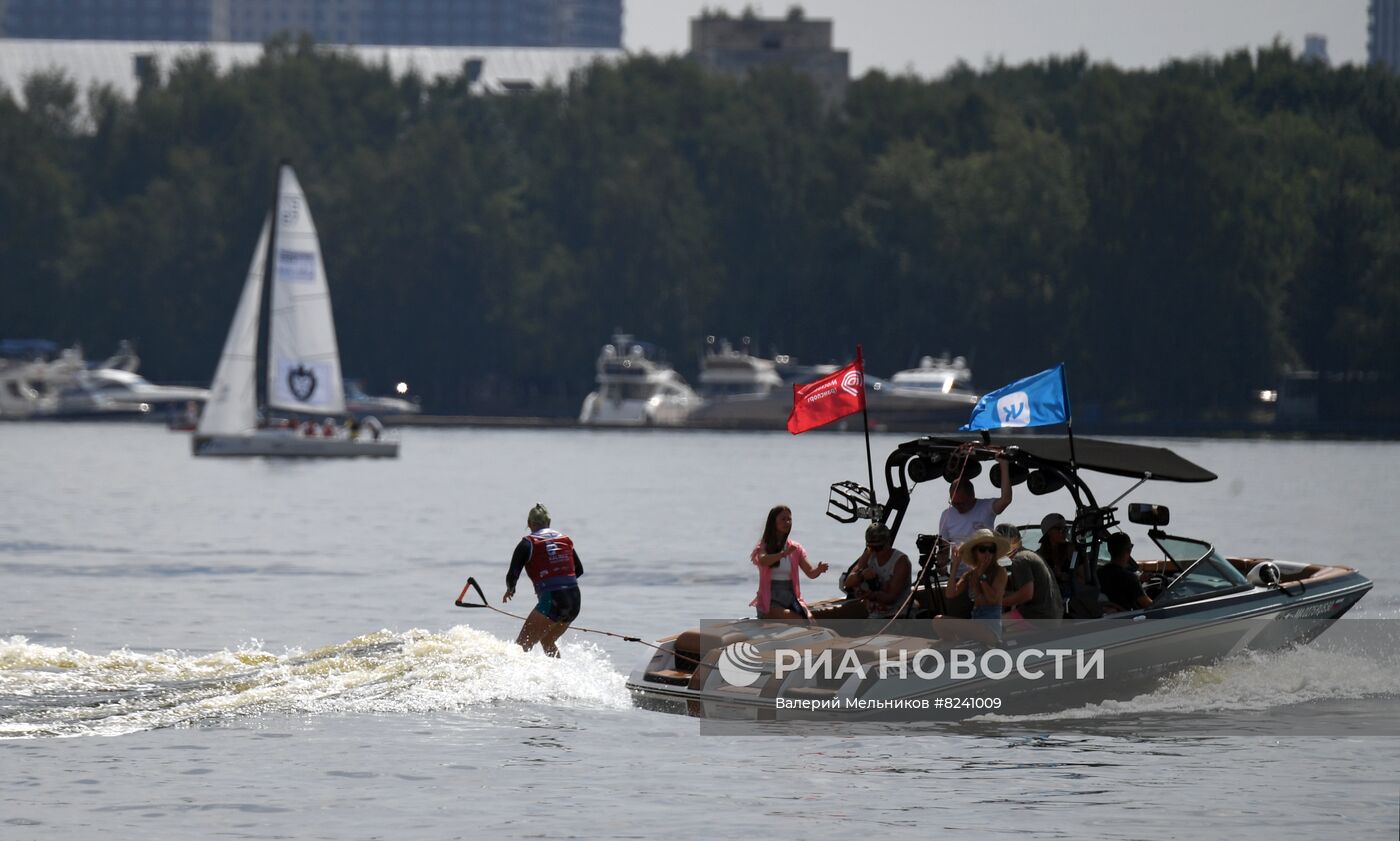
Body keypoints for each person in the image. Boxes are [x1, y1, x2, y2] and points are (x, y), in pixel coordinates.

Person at [936, 453, 1013, 618]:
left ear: (972, 496)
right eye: (953, 503)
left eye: (961, 503)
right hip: (960, 574)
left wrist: (1004, 466)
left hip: (986, 570)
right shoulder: (947, 515)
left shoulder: (985, 507)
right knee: (954, 614)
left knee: (984, 610)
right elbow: (943, 544)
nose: (957, 507)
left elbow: (1006, 499)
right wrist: (942, 563)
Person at [503, 503, 583, 658]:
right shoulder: (565, 540)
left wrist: (510, 590)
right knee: (547, 641)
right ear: (549, 523)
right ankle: (561, 678)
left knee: (521, 648)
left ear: (529, 523)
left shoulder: (527, 544)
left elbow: (513, 573)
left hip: (553, 599)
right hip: (574, 599)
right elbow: (578, 570)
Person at [750, 505, 829, 622]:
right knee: (795, 618)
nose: (787, 522)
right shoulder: (764, 545)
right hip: (770, 599)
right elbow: (763, 560)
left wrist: (819, 569)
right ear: (773, 522)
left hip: (790, 596)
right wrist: (783, 554)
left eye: (789, 519)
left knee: (811, 621)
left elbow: (810, 573)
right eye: (783, 519)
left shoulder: (795, 548)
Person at [933, 529, 1010, 644]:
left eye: (991, 550)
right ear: (975, 552)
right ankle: (952, 647)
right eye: (983, 550)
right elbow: (950, 594)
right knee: (938, 621)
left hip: (990, 630)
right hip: (976, 625)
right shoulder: (970, 575)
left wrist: (982, 578)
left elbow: (993, 599)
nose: (987, 554)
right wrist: (955, 566)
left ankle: (954, 645)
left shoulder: (1000, 572)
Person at [842, 523, 912, 619]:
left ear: (888, 543)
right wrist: (861, 575)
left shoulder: (901, 562)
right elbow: (848, 582)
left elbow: (891, 598)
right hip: (874, 616)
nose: (875, 552)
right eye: (871, 547)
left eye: (878, 548)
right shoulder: (869, 554)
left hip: (897, 616)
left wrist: (872, 595)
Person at [995, 523, 1062, 621]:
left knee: (992, 626)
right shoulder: (1028, 554)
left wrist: (995, 602)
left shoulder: (1020, 560)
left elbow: (1026, 595)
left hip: (1038, 616)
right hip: (1051, 614)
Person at [1099, 532, 1153, 611]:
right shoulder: (1129, 578)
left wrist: (1139, 580)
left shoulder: (1098, 574)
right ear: (1129, 550)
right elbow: (1150, 606)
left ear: (1109, 550)